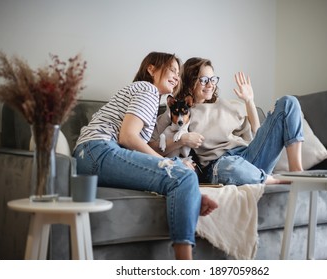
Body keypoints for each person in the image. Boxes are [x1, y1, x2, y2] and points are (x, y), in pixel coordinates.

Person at [72, 52, 218, 260]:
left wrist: (189, 192)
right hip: (98, 150)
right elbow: (128, 137)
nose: (177, 76)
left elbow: (136, 157)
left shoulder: (143, 95)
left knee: (181, 173)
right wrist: (173, 169)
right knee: (183, 174)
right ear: (151, 69)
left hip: (89, 156)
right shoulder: (147, 89)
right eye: (172, 70)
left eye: (179, 73)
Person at [150, 57, 304, 185]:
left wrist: (249, 101)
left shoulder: (227, 105)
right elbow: (154, 147)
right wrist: (182, 140)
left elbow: (257, 132)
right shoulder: (180, 111)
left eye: (213, 79)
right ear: (190, 82)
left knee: (288, 102)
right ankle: (273, 181)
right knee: (230, 166)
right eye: (204, 80)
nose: (210, 84)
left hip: (248, 155)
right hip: (219, 164)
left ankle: (297, 172)